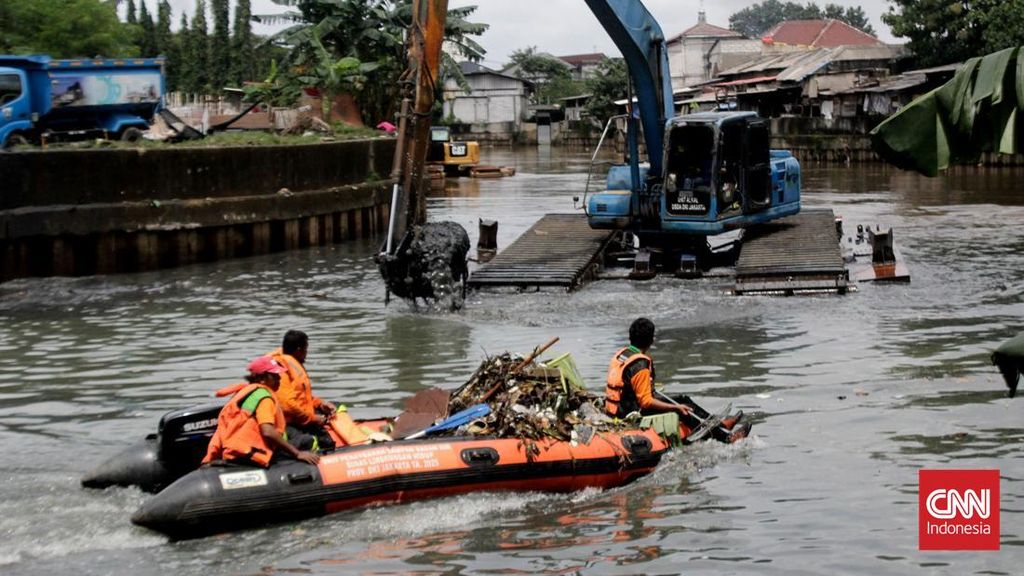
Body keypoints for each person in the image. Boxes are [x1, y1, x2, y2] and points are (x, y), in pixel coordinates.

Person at [605, 317, 751, 444]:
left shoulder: (622, 354)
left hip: (620, 407)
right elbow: (646, 402)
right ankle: (726, 438)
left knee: (683, 399)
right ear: (651, 340)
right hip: (631, 413)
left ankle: (718, 425)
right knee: (684, 410)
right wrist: (675, 408)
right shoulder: (640, 365)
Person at [202, 357, 320, 467]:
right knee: (308, 440)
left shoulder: (241, 394)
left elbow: (222, 430)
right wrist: (298, 454)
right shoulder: (265, 398)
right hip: (252, 454)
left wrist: (210, 459)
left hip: (233, 451)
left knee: (292, 434)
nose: (279, 378)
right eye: (274, 375)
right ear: (262, 379)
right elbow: (267, 431)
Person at [269, 330, 338, 451]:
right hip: (287, 423)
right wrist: (312, 418)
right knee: (311, 442)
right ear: (299, 350)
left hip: (301, 418)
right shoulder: (281, 368)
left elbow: (302, 396)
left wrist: (320, 404)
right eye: (306, 350)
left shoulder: (293, 363)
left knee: (327, 442)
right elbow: (287, 405)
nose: (307, 353)